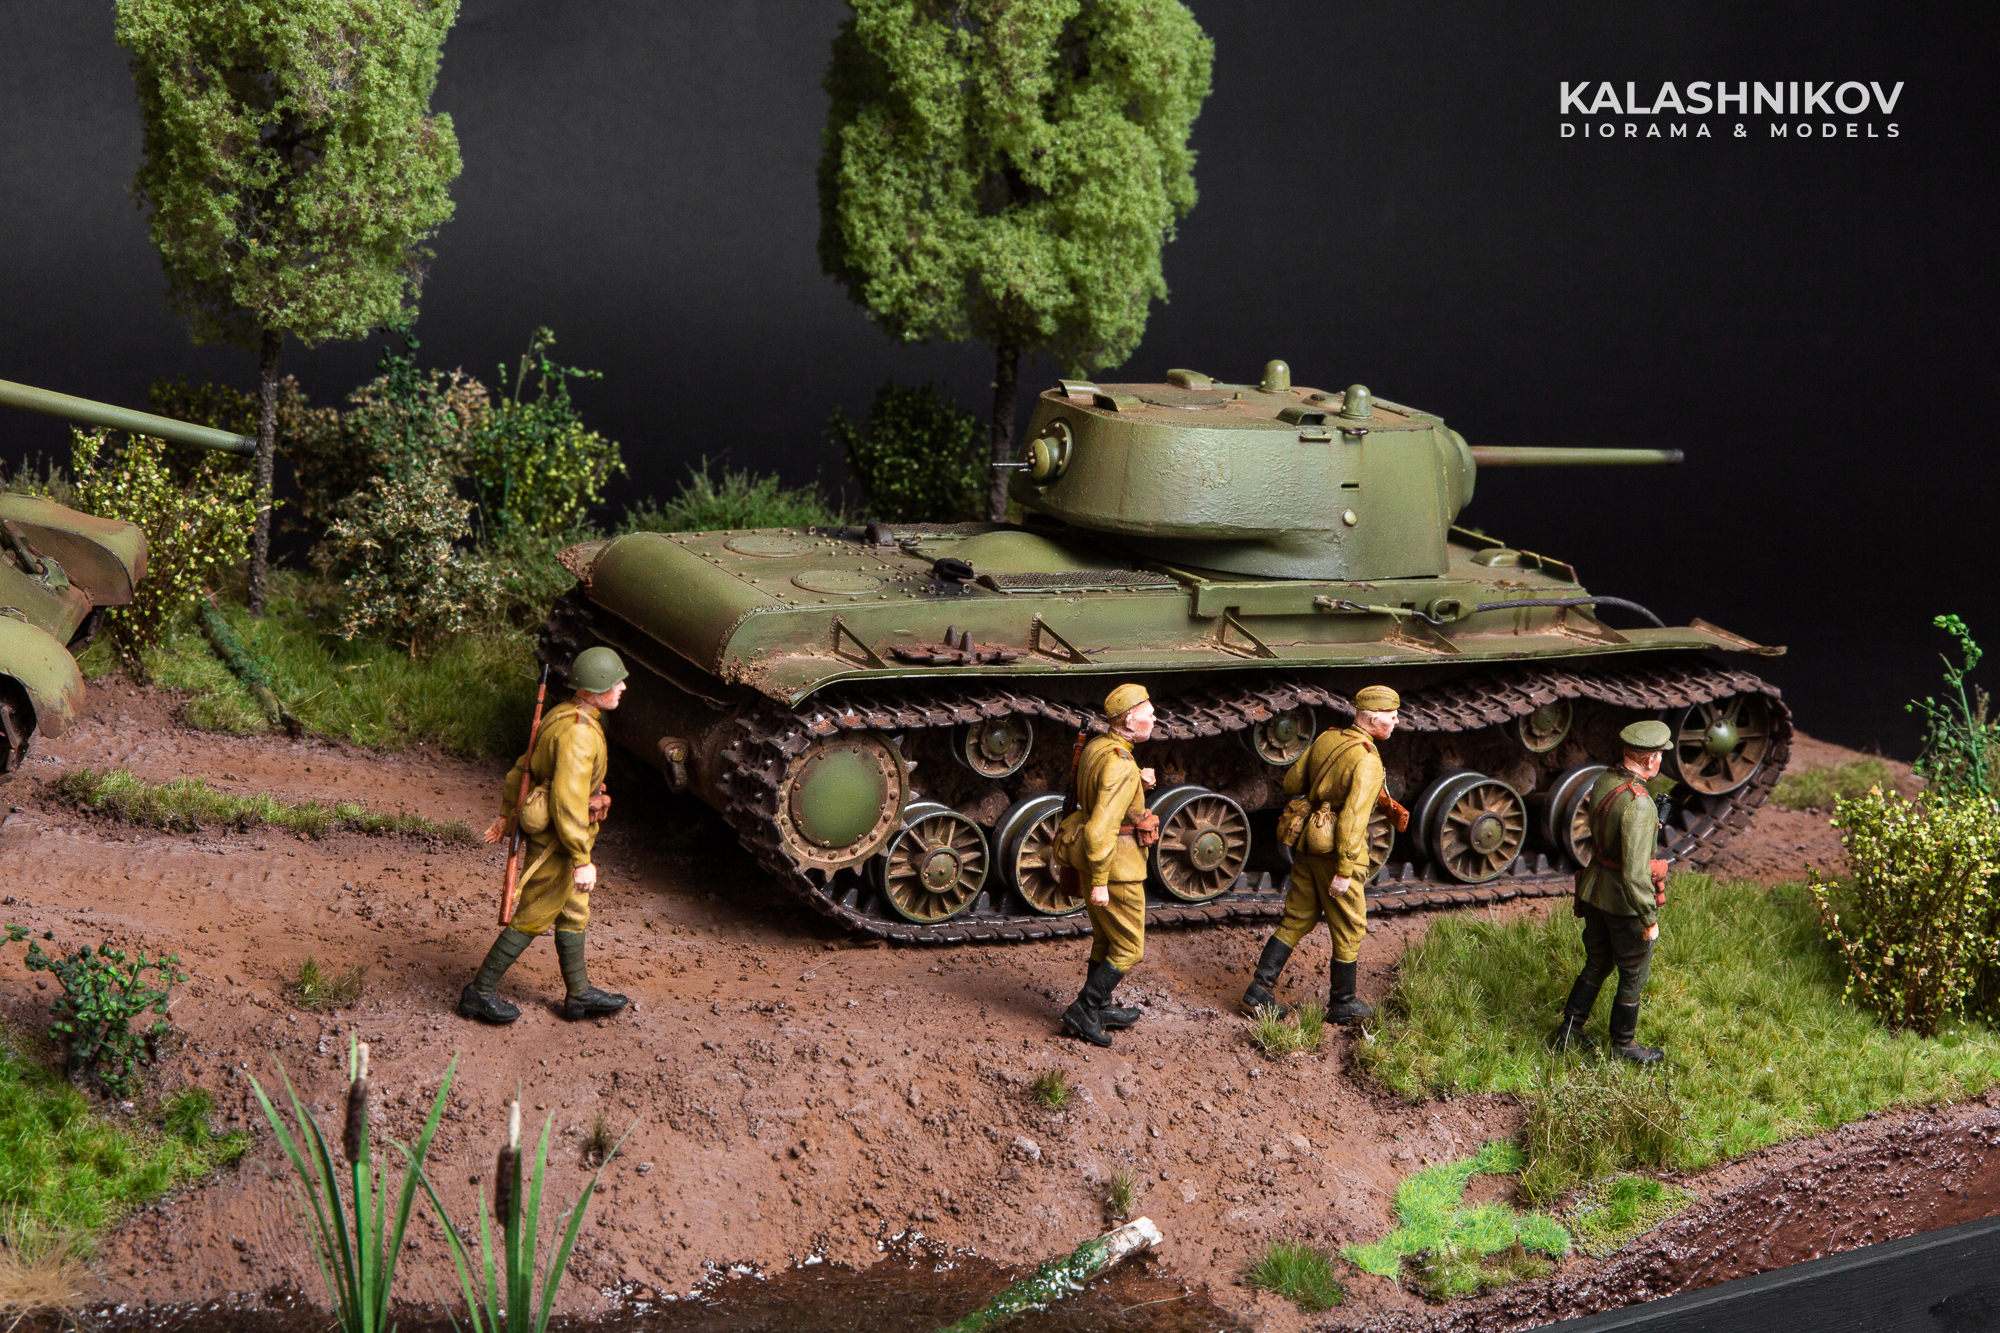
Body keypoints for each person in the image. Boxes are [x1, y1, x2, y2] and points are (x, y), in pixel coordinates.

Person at [458, 646, 633, 1025]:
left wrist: (506, 812)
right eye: (615, 682)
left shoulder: (562, 714)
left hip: (559, 835)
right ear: (594, 687)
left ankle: (579, 993)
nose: (622, 687)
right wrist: (582, 858)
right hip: (558, 840)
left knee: (574, 910)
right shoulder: (579, 735)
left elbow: (521, 768)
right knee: (534, 913)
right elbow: (568, 803)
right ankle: (480, 992)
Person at [1242, 685, 1400, 1024]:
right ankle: (1343, 1002)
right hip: (1336, 852)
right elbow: (1353, 820)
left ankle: (1259, 989)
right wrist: (1344, 870)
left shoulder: (1327, 737)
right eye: (1391, 716)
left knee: (1296, 918)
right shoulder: (1368, 760)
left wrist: (1322, 793)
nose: (1396, 721)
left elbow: (1292, 783)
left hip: (1309, 842)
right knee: (1350, 927)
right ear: (1373, 718)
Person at [1549, 719, 1674, 1064]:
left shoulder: (1605, 780)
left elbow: (1611, 827)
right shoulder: (1640, 804)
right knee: (1634, 971)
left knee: (1598, 961)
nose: (1661, 761)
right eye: (1660, 755)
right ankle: (1623, 1044)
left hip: (1594, 889)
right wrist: (1649, 918)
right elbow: (1635, 874)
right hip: (1623, 902)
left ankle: (1569, 1030)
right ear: (1650, 760)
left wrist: (1651, 825)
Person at [1058, 682, 1159, 1047]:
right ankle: (1084, 1008)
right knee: (1130, 948)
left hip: (1099, 862)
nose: (1154, 718)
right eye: (1148, 713)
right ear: (1129, 720)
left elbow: (1100, 789)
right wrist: (1100, 881)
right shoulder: (1121, 764)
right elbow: (1100, 829)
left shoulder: (1100, 746)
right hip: (1117, 868)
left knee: (1105, 938)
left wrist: (1138, 784)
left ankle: (1100, 1005)